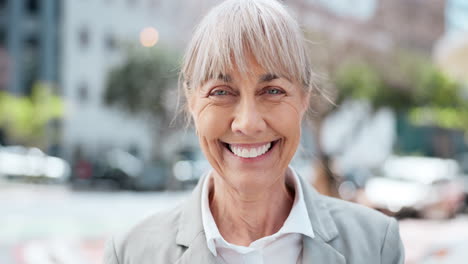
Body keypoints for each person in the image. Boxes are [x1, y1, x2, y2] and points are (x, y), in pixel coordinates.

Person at [104, 0, 405, 263]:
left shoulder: (375, 245)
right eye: (221, 92)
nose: (247, 123)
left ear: (304, 97)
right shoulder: (131, 253)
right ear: (192, 100)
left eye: (273, 90)